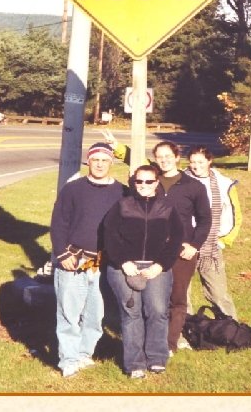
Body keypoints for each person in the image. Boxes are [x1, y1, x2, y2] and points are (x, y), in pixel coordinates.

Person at [101, 130, 211, 355]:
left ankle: (169, 343)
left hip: (182, 250)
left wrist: (195, 245)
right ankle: (145, 342)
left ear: (177, 157)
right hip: (151, 251)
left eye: (168, 156)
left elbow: (205, 219)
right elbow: (133, 159)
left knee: (176, 298)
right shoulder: (150, 181)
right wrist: (117, 146)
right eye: (159, 157)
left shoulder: (193, 186)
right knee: (152, 301)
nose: (164, 160)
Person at [49, 142, 125, 378]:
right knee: (69, 313)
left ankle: (84, 353)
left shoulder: (122, 192)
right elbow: (58, 223)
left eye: (104, 160)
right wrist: (63, 254)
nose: (100, 164)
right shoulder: (73, 189)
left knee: (95, 314)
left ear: (111, 162)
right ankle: (69, 360)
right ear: (89, 161)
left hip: (103, 263)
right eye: (95, 160)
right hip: (74, 259)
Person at [102, 165, 183, 379]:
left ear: (157, 183)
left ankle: (156, 358)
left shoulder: (167, 207)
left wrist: (160, 265)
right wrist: (123, 262)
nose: (143, 185)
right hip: (125, 267)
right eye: (139, 181)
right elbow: (109, 236)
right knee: (132, 314)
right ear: (133, 182)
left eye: (149, 181)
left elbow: (176, 239)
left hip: (156, 268)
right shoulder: (122, 206)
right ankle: (135, 363)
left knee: (157, 311)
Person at [185, 146, 242, 319]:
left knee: (219, 293)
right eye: (192, 162)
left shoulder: (223, 184)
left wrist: (224, 240)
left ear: (210, 161)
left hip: (211, 246)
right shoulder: (180, 180)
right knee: (181, 294)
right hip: (185, 245)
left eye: (200, 162)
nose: (196, 166)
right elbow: (152, 164)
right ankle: (185, 328)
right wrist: (119, 149)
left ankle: (231, 327)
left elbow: (235, 215)